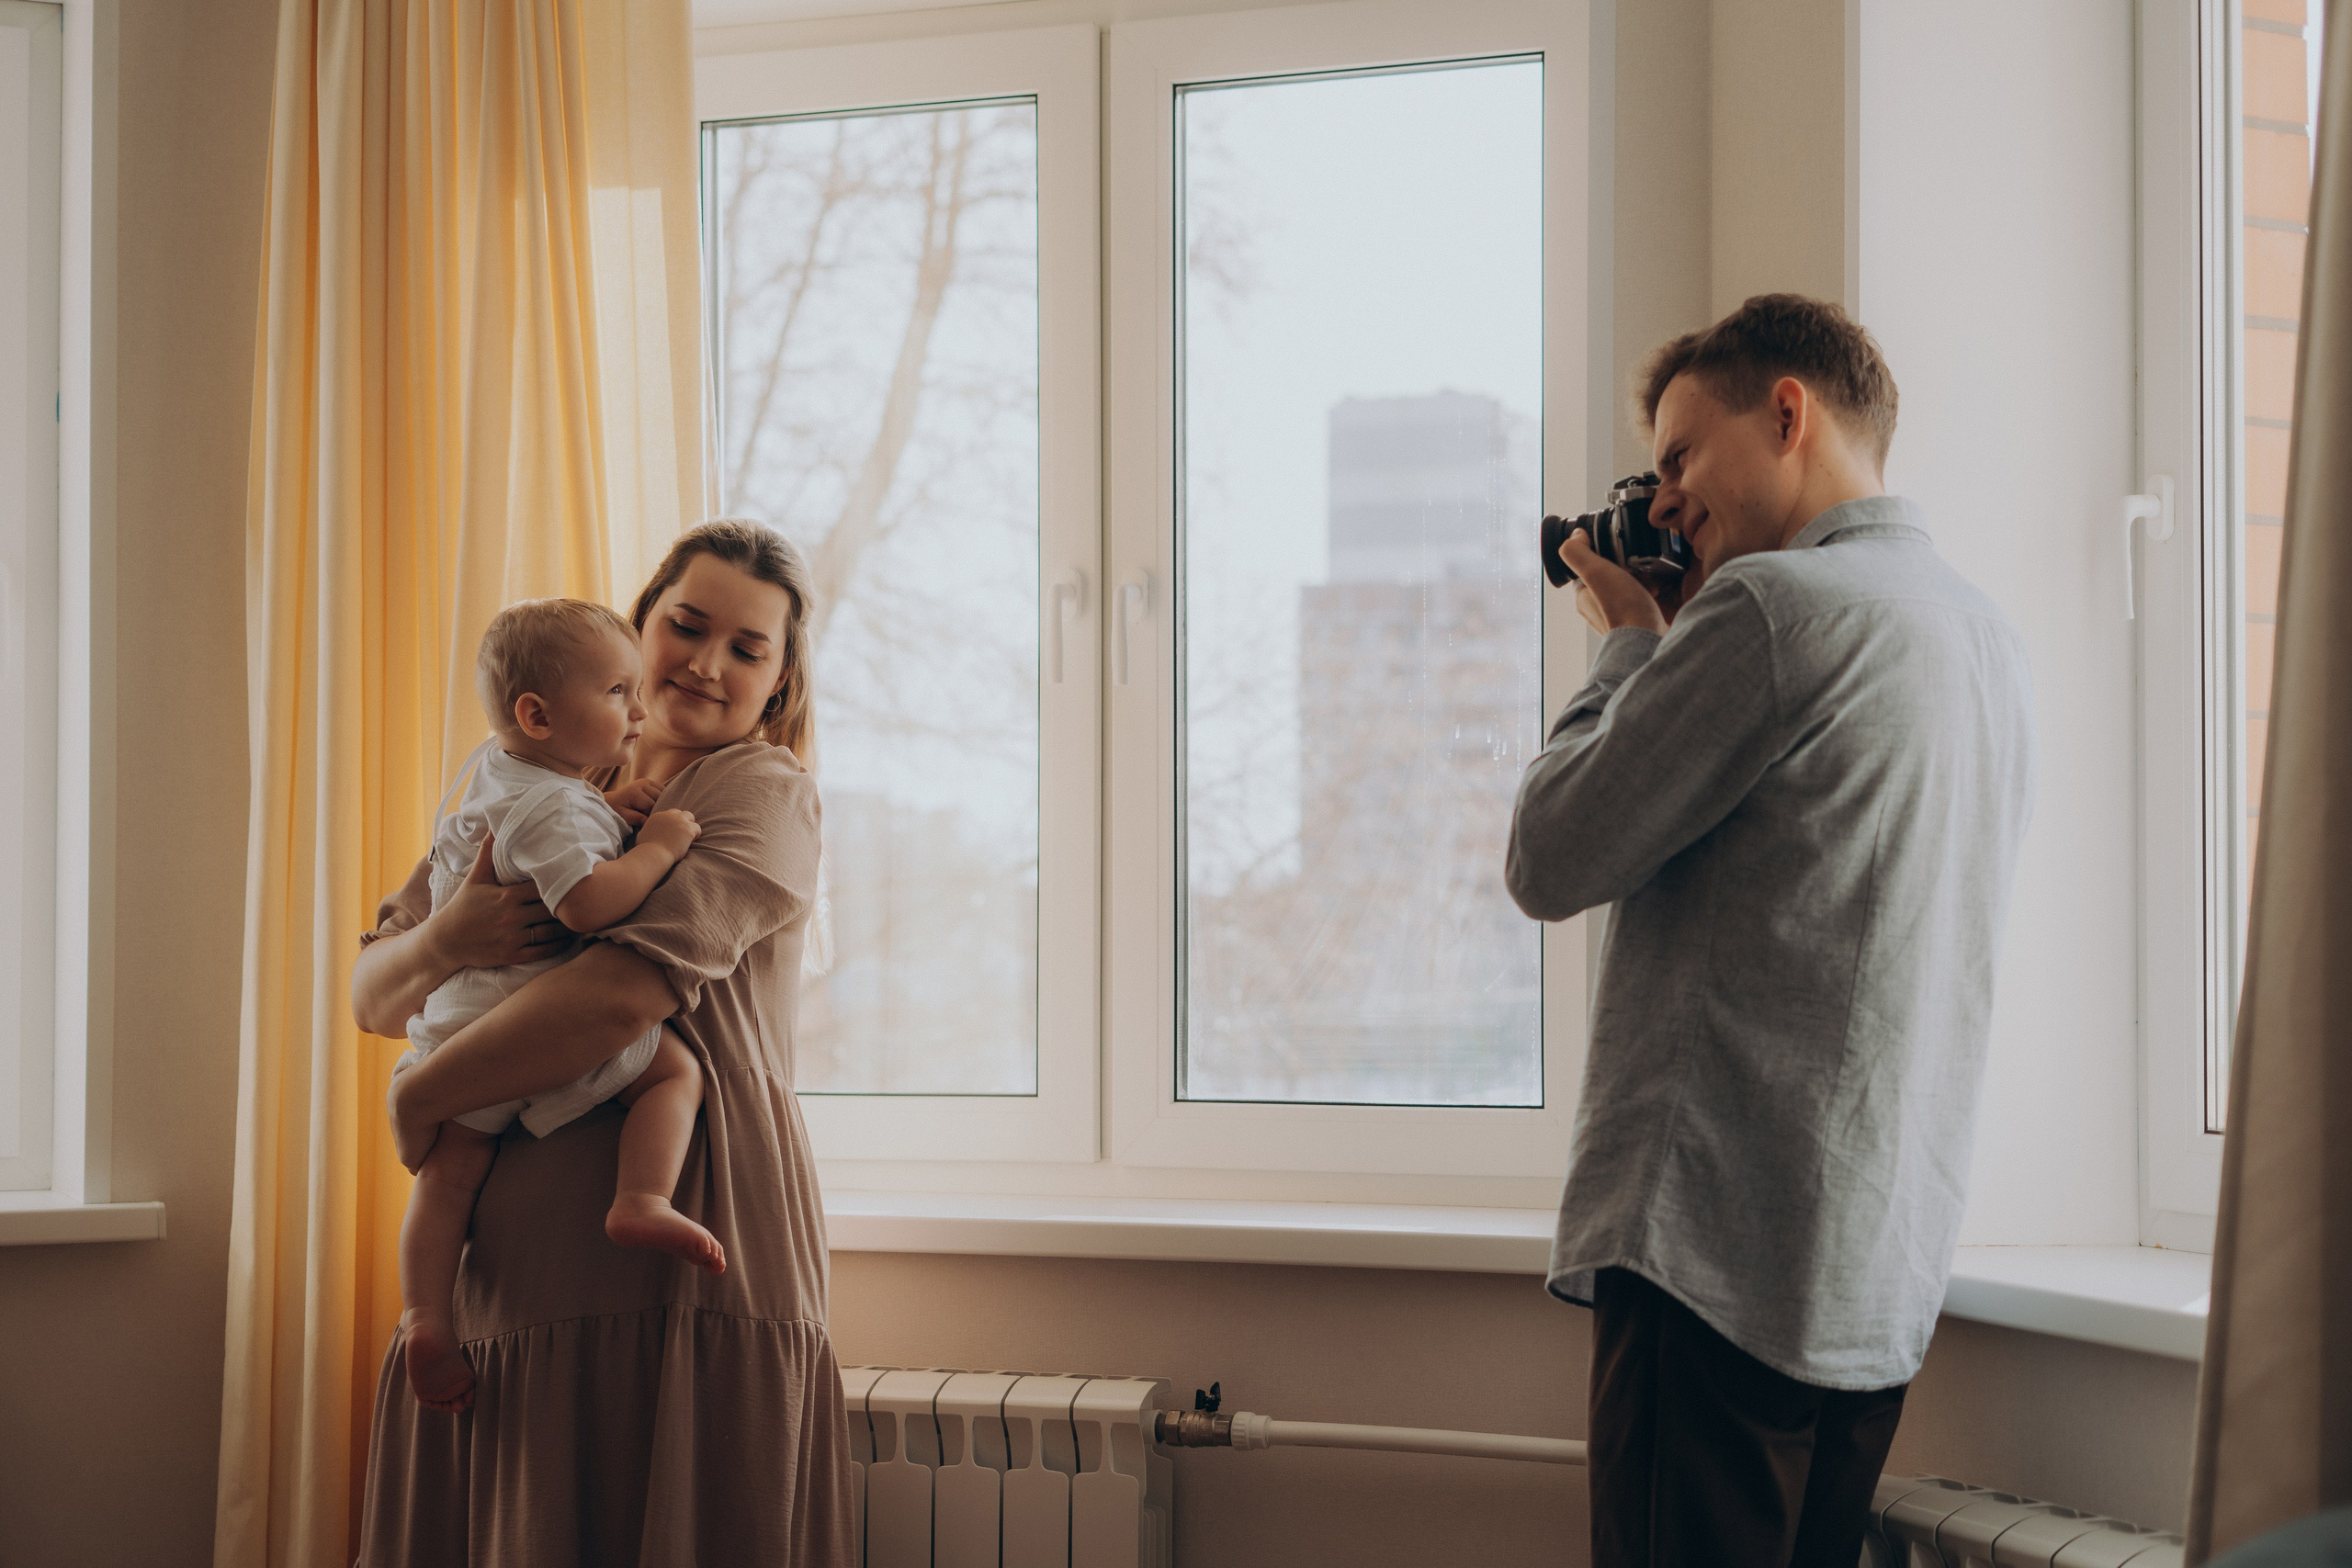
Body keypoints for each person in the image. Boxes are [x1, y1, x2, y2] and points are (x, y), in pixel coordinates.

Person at [1506, 294, 2035, 1568]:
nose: (1667, 497)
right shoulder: (1984, 640)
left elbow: (1549, 852)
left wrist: (1631, 651)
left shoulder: (1769, 613)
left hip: (1713, 1271)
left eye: (1683, 454)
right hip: (1864, 1289)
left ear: (1787, 410)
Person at [349, 522, 855, 1566]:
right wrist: (448, 934)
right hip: (513, 1264)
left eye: (747, 648)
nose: (707, 663)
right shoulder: (531, 786)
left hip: (694, 1223)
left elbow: (620, 996)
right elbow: (371, 993)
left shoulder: (755, 793)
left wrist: (422, 1095)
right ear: (640, 628)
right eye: (686, 624)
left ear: (779, 683)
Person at [392, 597, 722, 1417]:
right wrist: (656, 847)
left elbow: (545, 838)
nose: (638, 712)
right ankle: (641, 1197)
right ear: (537, 714)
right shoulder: (554, 805)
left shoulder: (500, 776)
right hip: (529, 1024)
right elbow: (585, 904)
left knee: (447, 1180)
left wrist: (607, 814)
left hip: (460, 1027)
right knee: (675, 1070)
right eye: (618, 692)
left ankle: (427, 1319)